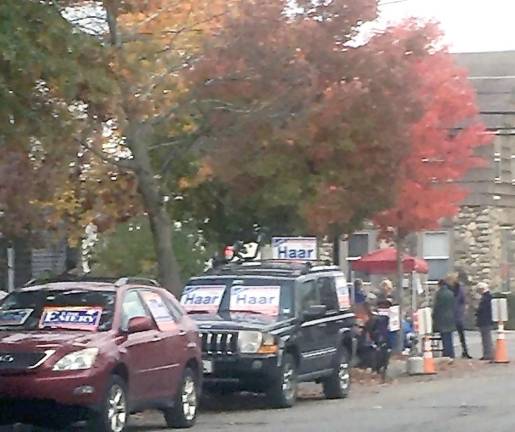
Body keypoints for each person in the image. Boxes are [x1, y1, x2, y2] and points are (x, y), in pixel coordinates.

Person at [449, 273, 472, 359]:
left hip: (457, 314)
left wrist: (463, 310)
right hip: (453, 313)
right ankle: (452, 351)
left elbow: (464, 301)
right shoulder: (452, 289)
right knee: (452, 334)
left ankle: (464, 351)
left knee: (461, 334)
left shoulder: (459, 289)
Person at [433, 279, 456, 358]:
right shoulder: (451, 293)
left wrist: (434, 316)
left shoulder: (439, 294)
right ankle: (451, 353)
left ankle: (446, 353)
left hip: (442, 317)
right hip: (450, 317)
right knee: (449, 337)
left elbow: (437, 307)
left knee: (444, 337)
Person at [476, 282, 493, 361]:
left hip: (484, 320)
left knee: (486, 339)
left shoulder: (486, 298)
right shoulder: (488, 297)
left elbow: (482, 309)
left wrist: (477, 311)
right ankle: (488, 353)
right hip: (487, 320)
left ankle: (488, 354)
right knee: (486, 338)